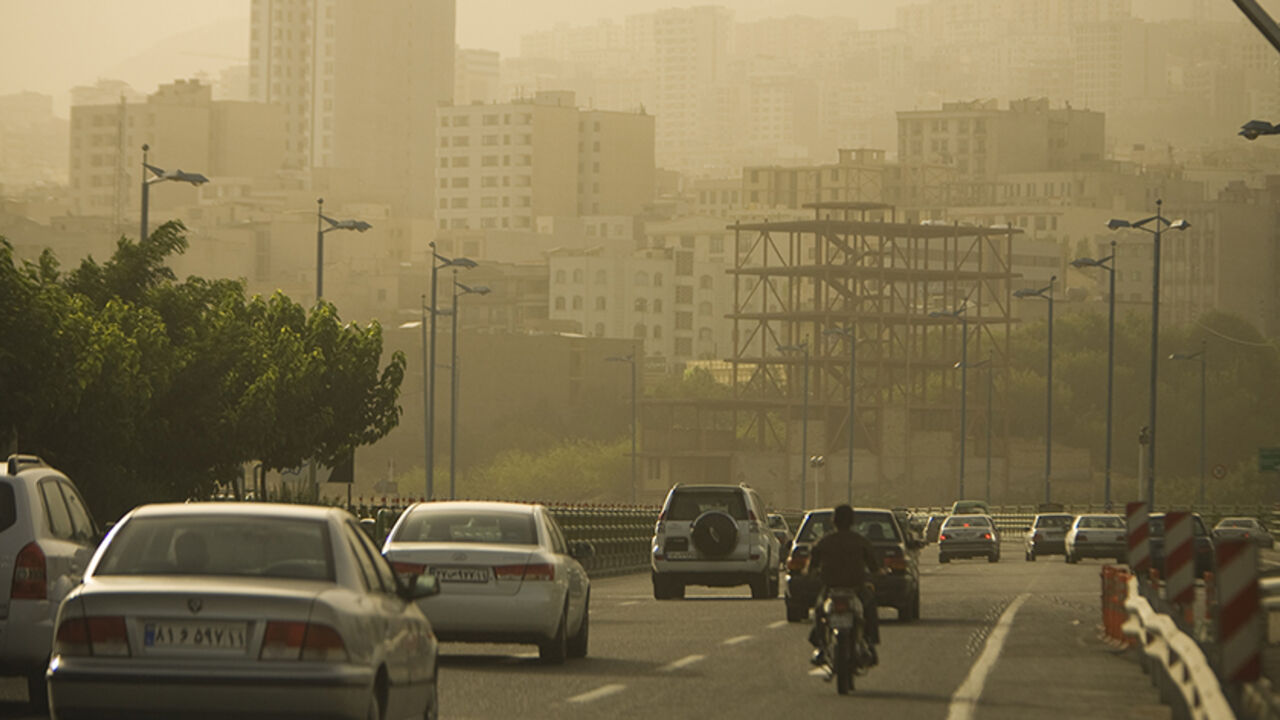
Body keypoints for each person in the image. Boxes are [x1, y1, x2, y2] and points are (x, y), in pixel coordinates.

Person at [806, 504, 882, 668]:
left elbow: (811, 567)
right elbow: (874, 566)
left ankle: (820, 645)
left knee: (820, 610)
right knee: (869, 609)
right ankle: (870, 644)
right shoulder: (860, 541)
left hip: (831, 588)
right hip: (855, 587)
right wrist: (878, 574)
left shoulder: (824, 542)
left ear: (833, 521)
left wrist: (811, 575)